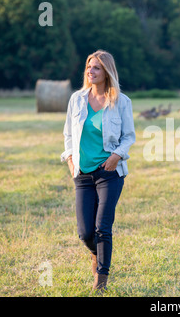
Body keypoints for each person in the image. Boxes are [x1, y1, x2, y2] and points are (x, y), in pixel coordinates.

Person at [60, 50, 135, 292]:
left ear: (107, 72)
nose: (90, 72)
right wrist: (70, 159)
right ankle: (97, 253)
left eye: (96, 68)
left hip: (109, 173)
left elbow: (128, 137)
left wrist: (116, 156)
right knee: (85, 233)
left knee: (103, 227)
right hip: (82, 173)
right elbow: (69, 134)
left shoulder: (122, 102)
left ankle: (101, 280)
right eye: (89, 67)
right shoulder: (77, 99)